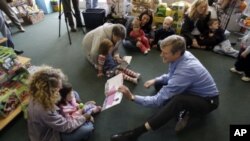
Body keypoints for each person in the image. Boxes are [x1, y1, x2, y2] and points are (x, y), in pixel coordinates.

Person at [110, 35, 219, 141]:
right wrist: (156, 80)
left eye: (165, 53)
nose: (161, 55)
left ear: (177, 53)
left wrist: (132, 97)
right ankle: (182, 111)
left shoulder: (187, 69)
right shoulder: (183, 55)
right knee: (158, 84)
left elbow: (157, 101)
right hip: (191, 89)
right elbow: (172, 75)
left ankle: (135, 133)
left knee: (178, 100)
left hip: (208, 101)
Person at [27, 65, 94, 141]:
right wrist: (84, 117)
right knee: (88, 129)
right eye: (58, 88)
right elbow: (66, 127)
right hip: (51, 134)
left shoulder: (38, 93)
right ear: (50, 91)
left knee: (73, 93)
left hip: (54, 119)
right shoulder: (44, 110)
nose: (61, 87)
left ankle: (75, 109)